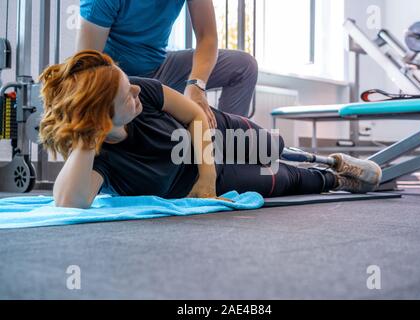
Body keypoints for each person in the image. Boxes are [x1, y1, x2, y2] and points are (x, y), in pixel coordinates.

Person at [39, 51, 382, 209]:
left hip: (212, 134)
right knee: (287, 181)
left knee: (270, 147)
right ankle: (337, 180)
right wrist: (87, 137)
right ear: (102, 121)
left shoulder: (143, 90)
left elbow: (195, 116)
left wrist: (205, 177)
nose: (136, 91)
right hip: (205, 179)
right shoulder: (99, 157)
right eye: (125, 96)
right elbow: (68, 203)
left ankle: (328, 160)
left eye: (130, 84)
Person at [76, 0, 258, 128]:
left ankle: (223, 157)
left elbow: (207, 37)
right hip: (120, 79)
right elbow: (87, 67)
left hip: (160, 68)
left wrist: (196, 86)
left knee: (243, 66)